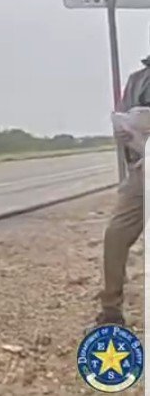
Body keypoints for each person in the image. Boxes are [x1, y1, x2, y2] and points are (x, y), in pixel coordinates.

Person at [96, 54, 150, 326]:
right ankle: (111, 308)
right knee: (115, 235)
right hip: (140, 169)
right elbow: (123, 115)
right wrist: (123, 131)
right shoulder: (137, 80)